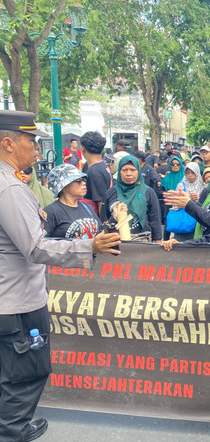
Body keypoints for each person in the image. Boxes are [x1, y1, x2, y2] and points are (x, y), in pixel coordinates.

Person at [0, 110, 119, 442]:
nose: (37, 150)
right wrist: (88, 247)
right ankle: (11, 431)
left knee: (9, 371)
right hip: (17, 303)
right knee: (26, 374)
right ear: (8, 143)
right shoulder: (8, 187)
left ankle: (13, 425)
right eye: (31, 141)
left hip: (9, 299)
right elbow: (35, 248)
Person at [101, 155, 163, 242]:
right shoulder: (111, 193)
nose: (128, 174)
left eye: (133, 170)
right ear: (119, 172)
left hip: (141, 244)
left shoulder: (148, 192)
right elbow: (104, 221)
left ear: (139, 171)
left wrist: (158, 242)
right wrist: (115, 217)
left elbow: (155, 221)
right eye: (124, 170)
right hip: (116, 243)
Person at [44, 164, 101, 239]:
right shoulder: (51, 212)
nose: (83, 183)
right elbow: (43, 242)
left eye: (84, 180)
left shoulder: (87, 207)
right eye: (78, 180)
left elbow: (101, 232)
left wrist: (115, 218)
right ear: (63, 186)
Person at [79, 131, 111, 215]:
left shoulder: (94, 172)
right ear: (102, 149)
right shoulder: (103, 166)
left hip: (95, 218)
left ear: (82, 148)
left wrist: (102, 225)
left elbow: (101, 203)